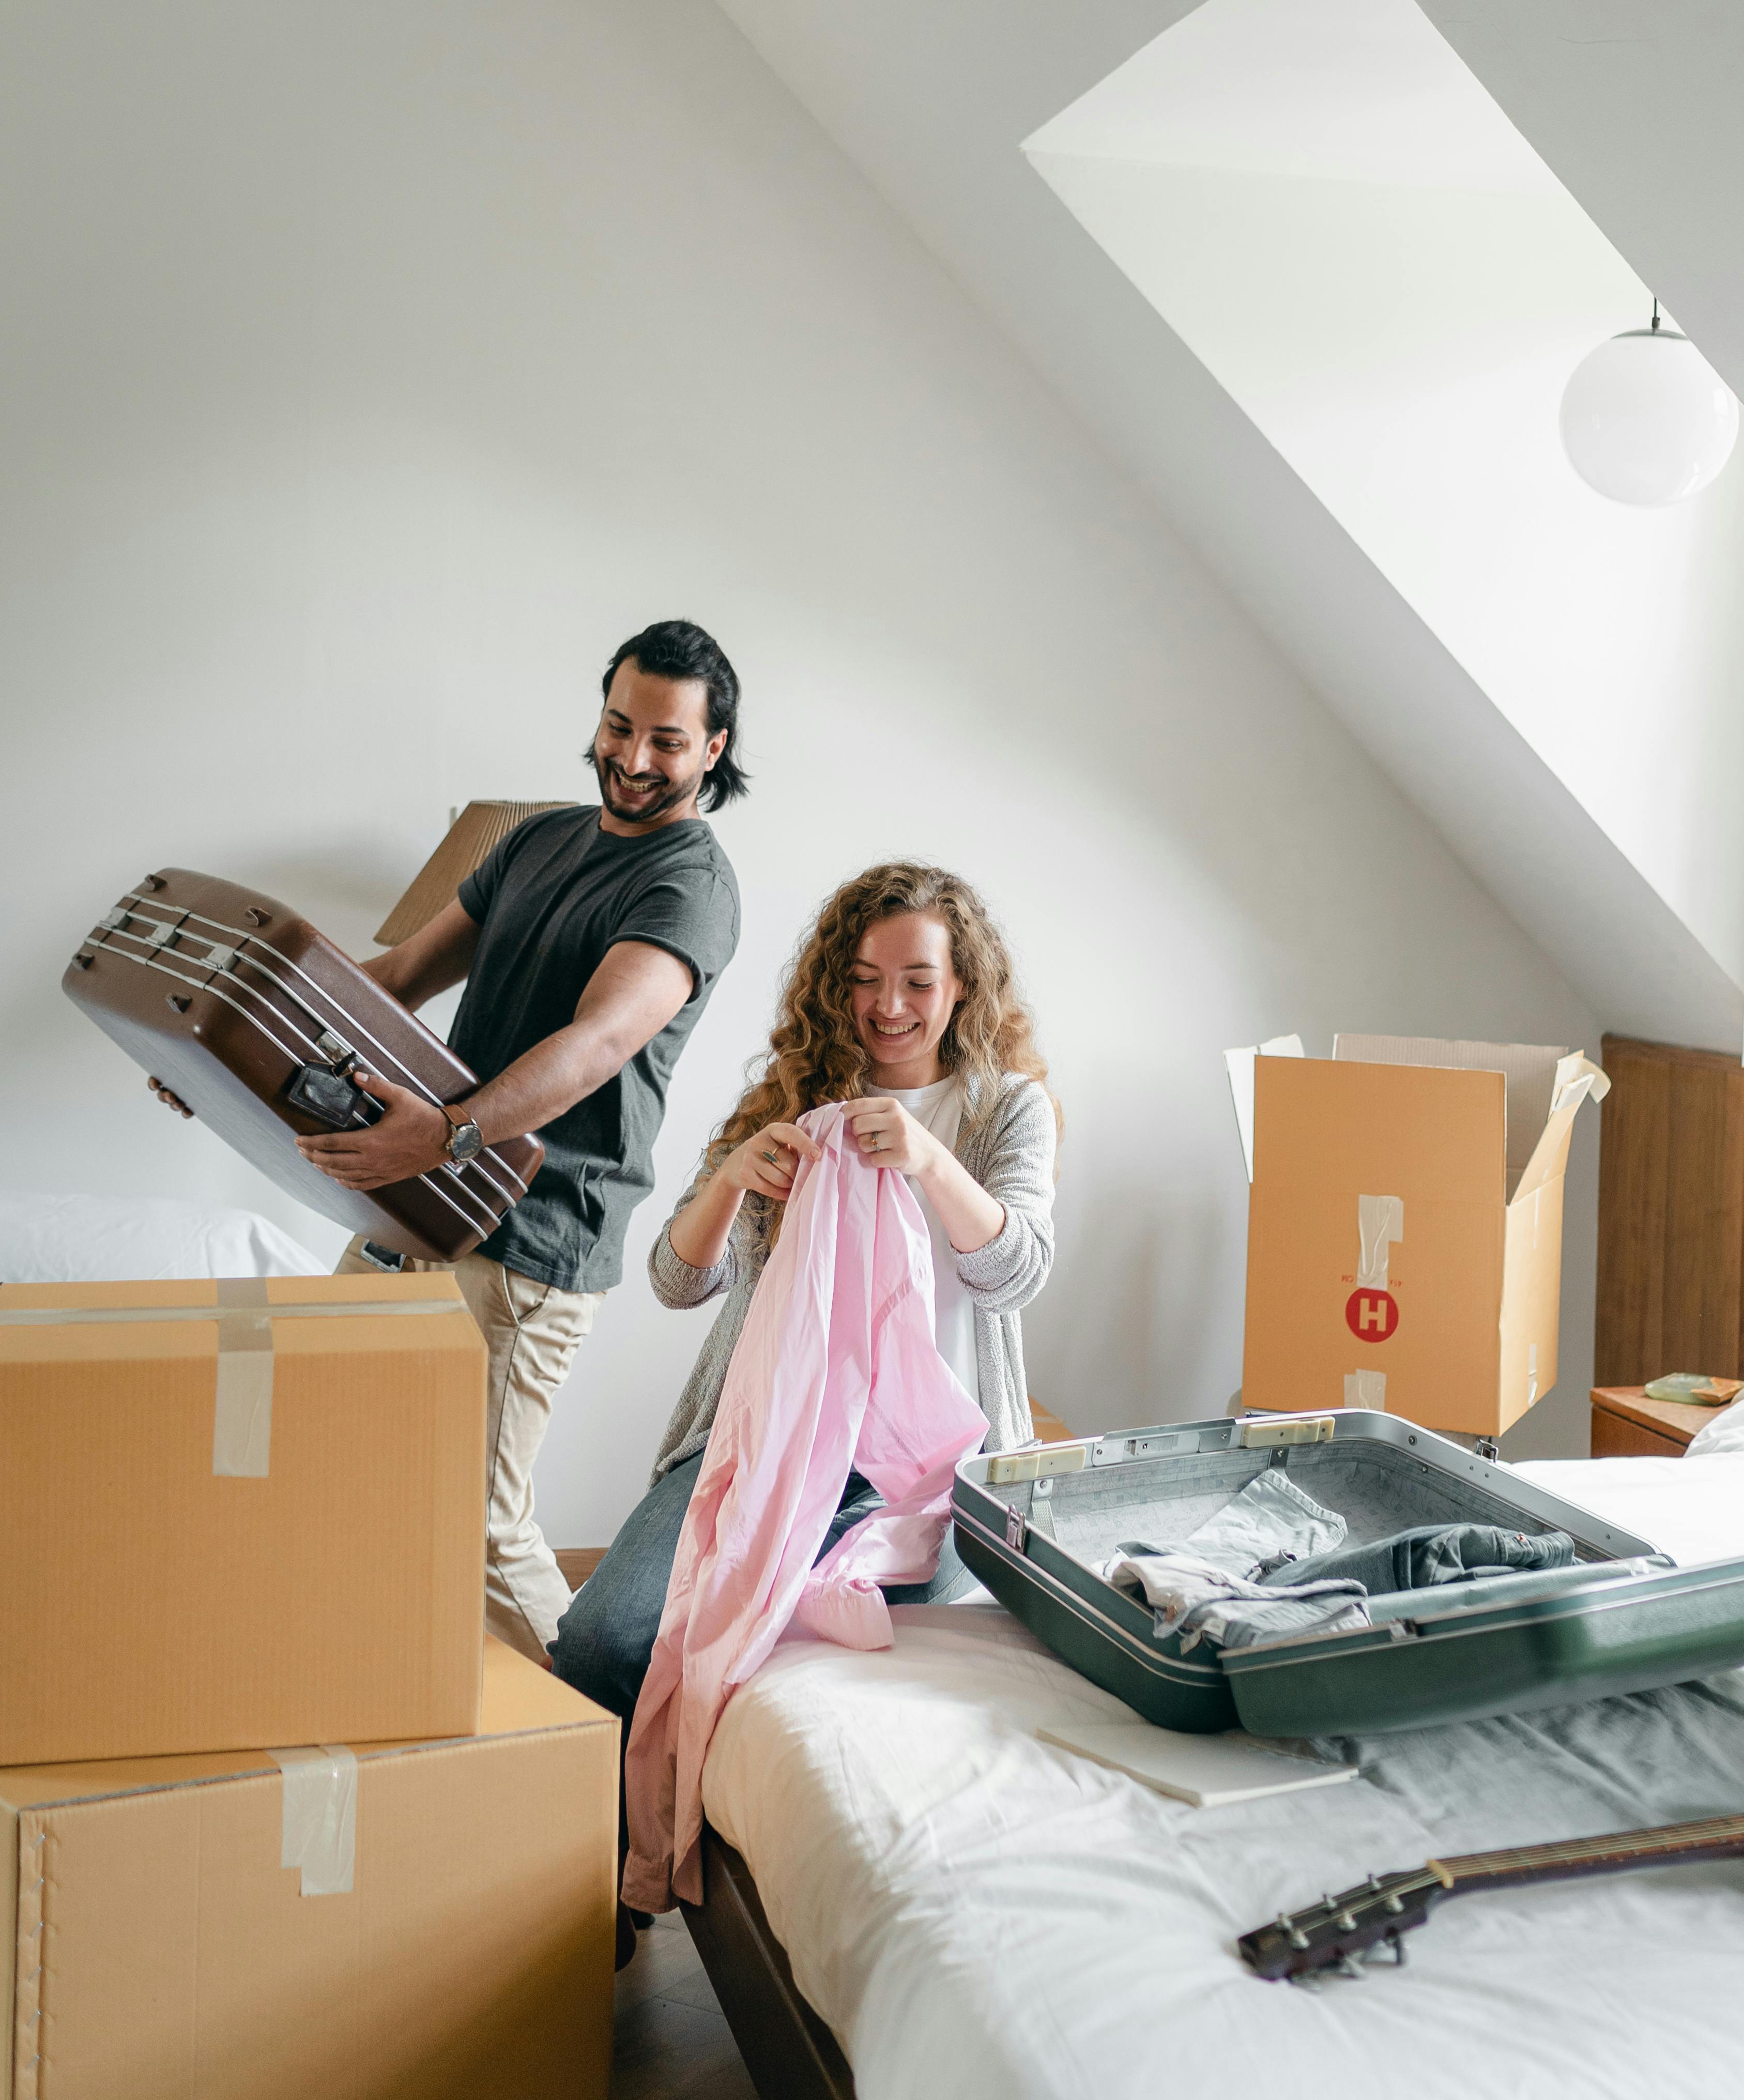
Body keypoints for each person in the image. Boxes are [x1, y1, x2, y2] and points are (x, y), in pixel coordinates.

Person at [149, 619, 746, 1662]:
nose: (634, 759)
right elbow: (389, 983)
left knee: (476, 1528)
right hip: (419, 1203)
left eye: (666, 740)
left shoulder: (688, 885)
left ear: (713, 750)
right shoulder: (537, 838)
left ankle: (594, 1743)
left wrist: (446, 1134)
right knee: (311, 1432)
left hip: (531, 1237)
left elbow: (599, 1040)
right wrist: (225, 1051)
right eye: (619, 726)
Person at [550, 859, 1059, 1730]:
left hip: (935, 1477)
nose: (888, 1005)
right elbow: (678, 1281)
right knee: (600, 1638)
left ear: (963, 984)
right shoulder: (792, 1100)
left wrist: (930, 1161)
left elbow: (1015, 1271)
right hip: (763, 1449)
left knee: (885, 1673)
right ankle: (605, 1846)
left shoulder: (1007, 1109)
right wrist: (729, 1185)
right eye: (863, 981)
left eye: (916, 981)